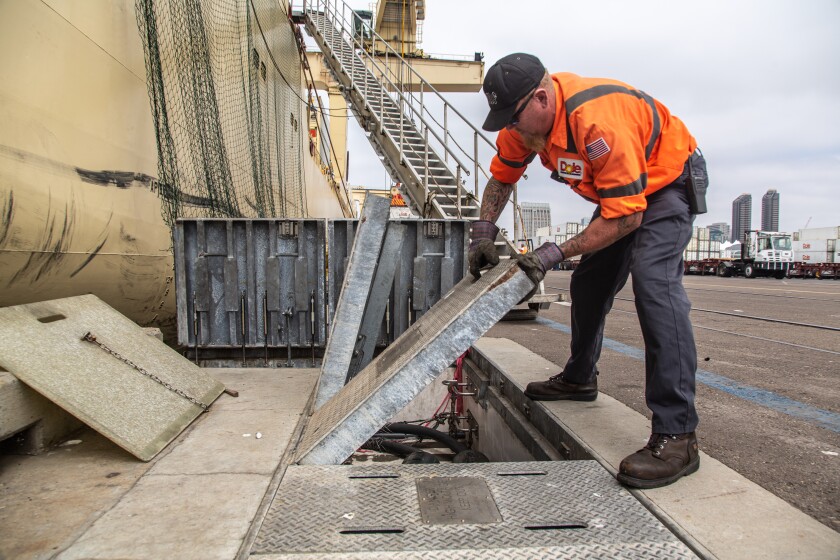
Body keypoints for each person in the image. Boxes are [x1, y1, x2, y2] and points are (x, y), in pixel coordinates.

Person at [469, 53, 708, 489]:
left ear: (541, 97)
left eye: (515, 119)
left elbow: (628, 217)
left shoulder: (597, 124)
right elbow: (503, 176)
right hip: (625, 198)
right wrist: (482, 232)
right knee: (591, 281)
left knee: (655, 286)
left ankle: (678, 435)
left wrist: (551, 253)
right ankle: (579, 378)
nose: (512, 130)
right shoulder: (525, 126)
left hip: (666, 185)